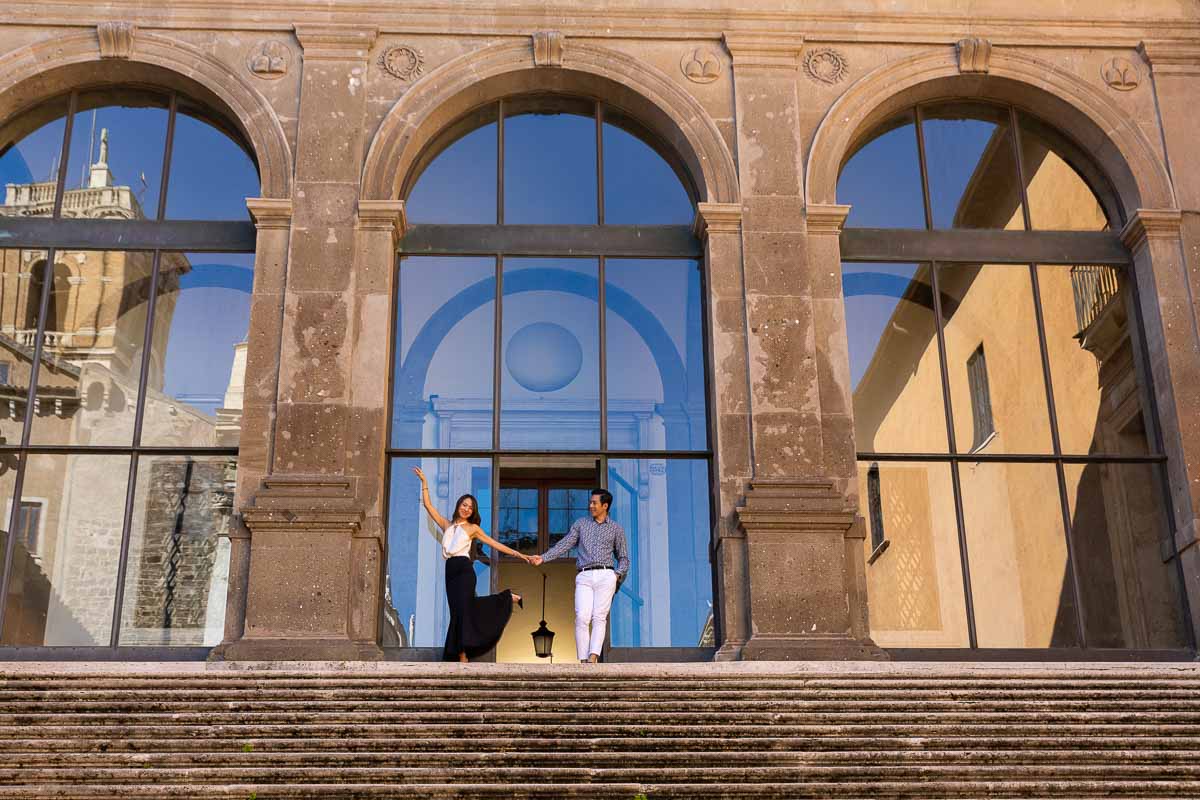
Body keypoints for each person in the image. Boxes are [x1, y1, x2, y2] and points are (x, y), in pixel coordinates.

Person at [413, 467, 532, 663]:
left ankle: (462, 655)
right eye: (464, 504)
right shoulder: (447, 525)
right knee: (459, 611)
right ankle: (506, 598)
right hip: (450, 571)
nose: (466, 508)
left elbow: (494, 543)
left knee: (462, 610)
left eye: (470, 507)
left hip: (464, 570)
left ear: (473, 512)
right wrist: (425, 483)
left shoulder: (472, 528)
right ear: (459, 505)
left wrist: (520, 554)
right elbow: (428, 506)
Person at [531, 488, 629, 663]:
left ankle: (593, 657)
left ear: (605, 506)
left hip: (606, 574)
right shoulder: (581, 524)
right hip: (584, 575)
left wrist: (616, 575)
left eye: (594, 503)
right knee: (582, 617)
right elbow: (565, 544)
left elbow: (623, 558)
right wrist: (543, 558)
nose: (590, 505)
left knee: (599, 617)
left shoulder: (616, 529)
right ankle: (583, 660)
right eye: (590, 502)